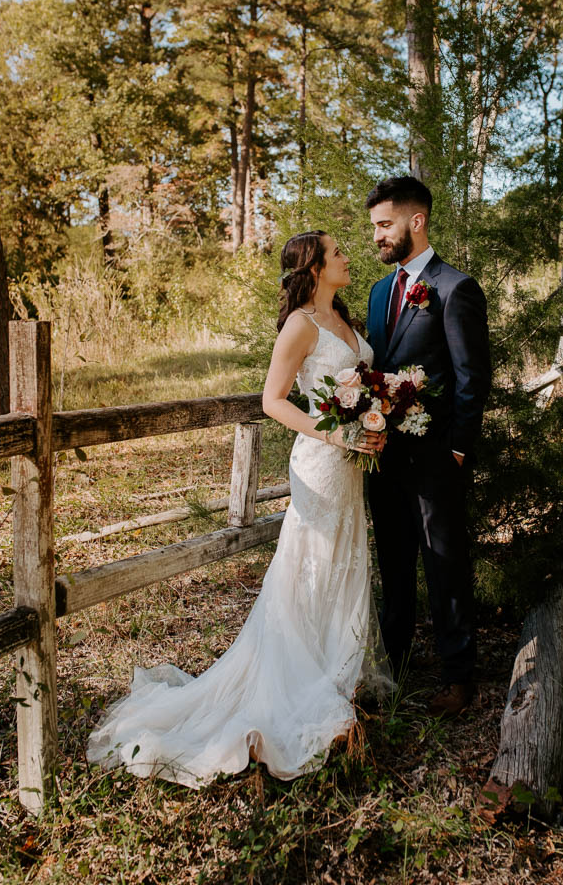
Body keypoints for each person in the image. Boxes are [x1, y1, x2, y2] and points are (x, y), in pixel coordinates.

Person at [87, 230, 390, 788]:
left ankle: (337, 675)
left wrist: (372, 419)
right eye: (337, 252)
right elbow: (272, 400)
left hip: (351, 468)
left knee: (345, 562)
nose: (348, 256)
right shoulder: (301, 324)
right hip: (323, 462)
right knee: (312, 567)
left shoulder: (346, 319)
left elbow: (360, 384)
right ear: (315, 267)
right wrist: (336, 435)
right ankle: (304, 683)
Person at [366, 176, 491, 717]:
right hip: (380, 455)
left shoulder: (454, 288)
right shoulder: (378, 291)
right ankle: (392, 662)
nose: (377, 236)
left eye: (384, 224)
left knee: (445, 564)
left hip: (435, 456)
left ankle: (458, 675)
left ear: (416, 221)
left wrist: (458, 449)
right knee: (392, 560)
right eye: (374, 226)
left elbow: (472, 376)